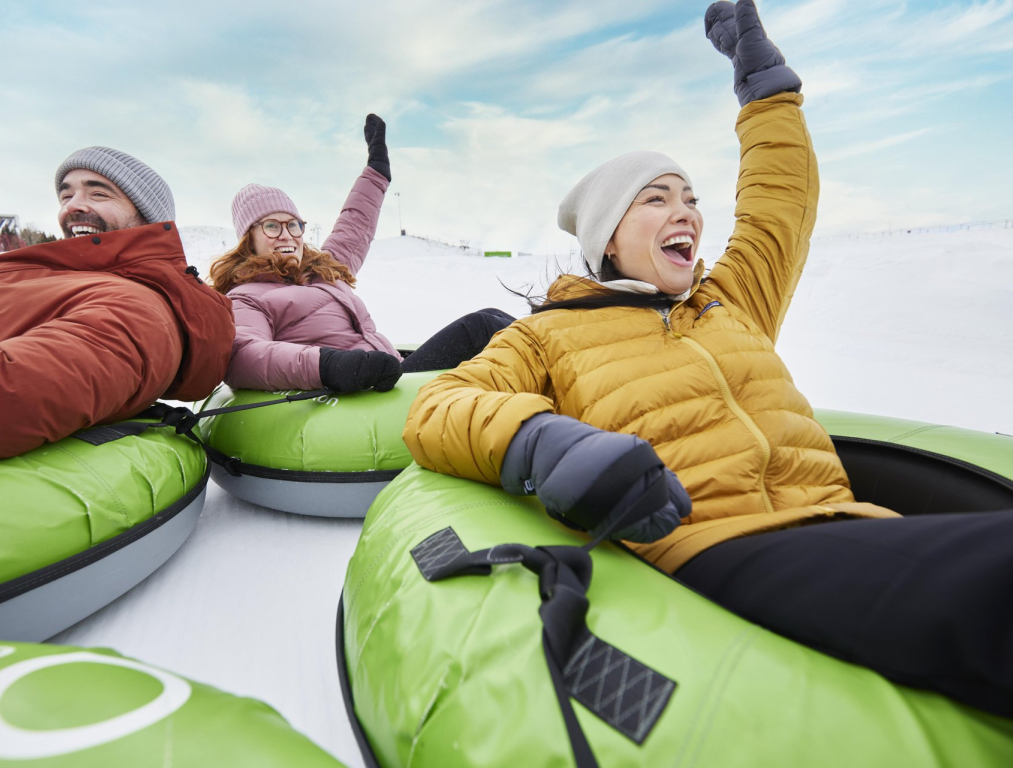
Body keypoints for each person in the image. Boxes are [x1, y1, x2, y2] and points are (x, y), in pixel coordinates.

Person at [402, 0, 1013, 718]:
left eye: (691, 198)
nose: (686, 211)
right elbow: (439, 408)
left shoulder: (728, 303)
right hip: (714, 546)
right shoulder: (548, 337)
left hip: (847, 522)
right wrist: (543, 441)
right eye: (656, 199)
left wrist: (764, 88)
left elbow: (778, 207)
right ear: (607, 238)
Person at [0, 146, 234, 467]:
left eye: (99, 193)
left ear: (148, 216)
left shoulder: (136, 307)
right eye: (65, 195)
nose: (74, 206)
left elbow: (5, 395)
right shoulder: (53, 273)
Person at [210, 114, 514, 394]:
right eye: (272, 226)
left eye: (293, 224)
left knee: (495, 317)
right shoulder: (247, 297)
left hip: (389, 371)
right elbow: (243, 355)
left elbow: (354, 226)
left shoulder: (320, 271)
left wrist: (377, 171)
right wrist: (328, 365)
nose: (287, 234)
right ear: (249, 240)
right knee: (481, 328)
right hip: (362, 393)